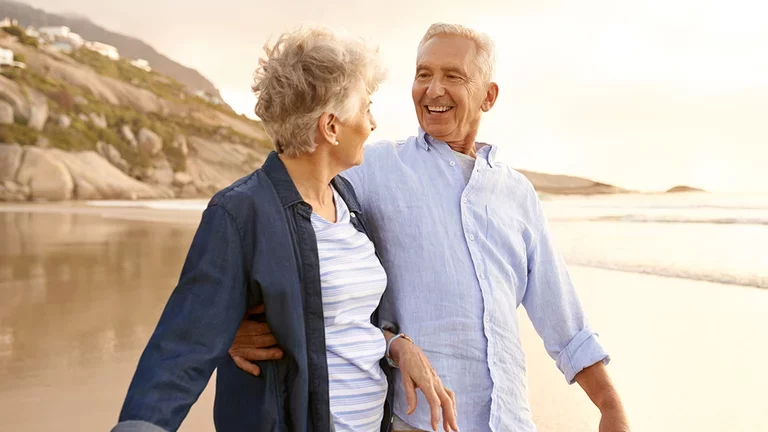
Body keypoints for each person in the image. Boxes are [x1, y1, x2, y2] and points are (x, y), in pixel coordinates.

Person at [228, 23, 631, 432]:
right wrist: (228, 324)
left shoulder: (517, 193)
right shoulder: (372, 168)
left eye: (452, 76)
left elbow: (561, 316)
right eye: (424, 74)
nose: (433, 89)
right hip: (417, 419)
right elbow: (274, 209)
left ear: (488, 96)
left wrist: (609, 405)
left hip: (510, 421)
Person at [111, 26, 458, 432]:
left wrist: (396, 346)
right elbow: (181, 347)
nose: (373, 123)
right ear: (331, 127)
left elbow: (340, 323)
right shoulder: (240, 212)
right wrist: (222, 333)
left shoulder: (347, 202)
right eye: (366, 108)